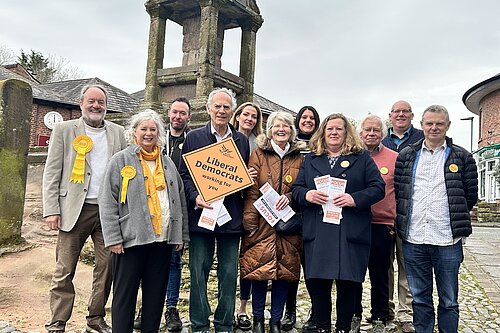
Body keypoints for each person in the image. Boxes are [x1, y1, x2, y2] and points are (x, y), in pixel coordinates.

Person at [42, 84, 127, 333]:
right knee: (65, 268)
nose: (96, 106)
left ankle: (96, 318)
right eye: (91, 101)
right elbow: (52, 171)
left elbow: (124, 172)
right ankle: (58, 320)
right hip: (73, 209)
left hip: (109, 212)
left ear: (106, 106)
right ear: (81, 103)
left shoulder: (118, 132)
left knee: (107, 268)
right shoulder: (64, 130)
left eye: (100, 102)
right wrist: (51, 209)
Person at [292, 113, 385, 333]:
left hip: (350, 229)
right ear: (323, 133)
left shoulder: (361, 157)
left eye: (339, 129)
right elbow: (296, 190)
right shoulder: (312, 159)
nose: (334, 133)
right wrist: (307, 195)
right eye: (330, 129)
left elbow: (377, 188)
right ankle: (322, 326)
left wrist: (355, 199)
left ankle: (343, 327)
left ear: (347, 133)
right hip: (319, 230)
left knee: (348, 284)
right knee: (318, 283)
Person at [99, 109, 189, 333]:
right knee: (125, 295)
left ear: (159, 133)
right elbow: (108, 201)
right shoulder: (121, 160)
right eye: (143, 129)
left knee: (156, 295)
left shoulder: (167, 163)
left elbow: (179, 200)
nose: (148, 134)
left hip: (162, 240)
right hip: (130, 240)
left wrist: (180, 235)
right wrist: (113, 238)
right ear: (134, 132)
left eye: (153, 129)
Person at [394, 105, 478, 333]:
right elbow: (400, 193)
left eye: (439, 123)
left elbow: (469, 196)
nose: (434, 128)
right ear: (421, 126)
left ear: (447, 126)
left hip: (447, 240)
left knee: (449, 299)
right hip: (414, 238)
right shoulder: (406, 156)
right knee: (420, 298)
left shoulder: (462, 157)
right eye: (429, 123)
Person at [179, 87, 255, 333]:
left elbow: (245, 178)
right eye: (217, 106)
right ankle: (199, 324)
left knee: (228, 273)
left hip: (230, 218)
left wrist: (248, 177)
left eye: (226, 107)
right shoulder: (194, 137)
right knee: (198, 273)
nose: (222, 111)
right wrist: (195, 197)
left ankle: (224, 323)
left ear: (232, 110)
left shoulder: (241, 141)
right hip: (202, 216)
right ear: (208, 109)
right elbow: (184, 175)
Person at [240, 111, 305, 333]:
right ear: (269, 130)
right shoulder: (258, 154)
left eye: (286, 126)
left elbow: (303, 189)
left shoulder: (299, 157)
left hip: (288, 223)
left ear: (291, 131)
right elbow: (251, 190)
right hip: (262, 222)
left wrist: (291, 197)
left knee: (283, 274)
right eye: (277, 126)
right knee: (259, 272)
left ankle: (275, 320)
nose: (281, 129)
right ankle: (258, 320)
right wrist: (249, 221)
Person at [133, 97, 192, 331]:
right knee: (144, 262)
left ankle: (170, 308)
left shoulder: (192, 141)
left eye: (183, 113)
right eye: (175, 112)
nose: (178, 117)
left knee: (174, 262)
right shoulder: (157, 137)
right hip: (148, 208)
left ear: (189, 117)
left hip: (176, 210)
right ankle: (145, 307)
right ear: (169, 114)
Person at [353, 115, 399, 333]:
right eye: (367, 130)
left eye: (376, 130)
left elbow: (401, 191)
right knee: (353, 273)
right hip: (354, 222)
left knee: (380, 274)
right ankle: (354, 314)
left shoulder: (394, 158)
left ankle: (380, 316)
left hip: (382, 224)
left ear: (383, 133)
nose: (371, 134)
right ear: (360, 133)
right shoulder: (351, 155)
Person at [381, 100, 423, 332]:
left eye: (404, 112)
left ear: (412, 115)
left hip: (410, 213)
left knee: (407, 264)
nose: (400, 115)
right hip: (384, 213)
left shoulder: (420, 138)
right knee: (384, 264)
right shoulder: (381, 141)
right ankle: (385, 308)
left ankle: (406, 312)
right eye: (396, 111)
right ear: (390, 115)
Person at [282, 105, 320, 332]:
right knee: (290, 267)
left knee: (313, 268)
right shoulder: (291, 147)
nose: (307, 121)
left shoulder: (321, 147)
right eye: (304, 117)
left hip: (314, 213)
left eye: (312, 118)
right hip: (291, 210)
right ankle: (290, 311)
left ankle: (316, 312)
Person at [230, 101, 264, 330]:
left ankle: (243, 308)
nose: (250, 119)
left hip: (252, 205)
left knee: (249, 259)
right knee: (230, 262)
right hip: (231, 205)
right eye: (246, 115)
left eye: (254, 116)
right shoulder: (226, 138)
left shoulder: (259, 144)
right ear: (238, 116)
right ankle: (228, 306)